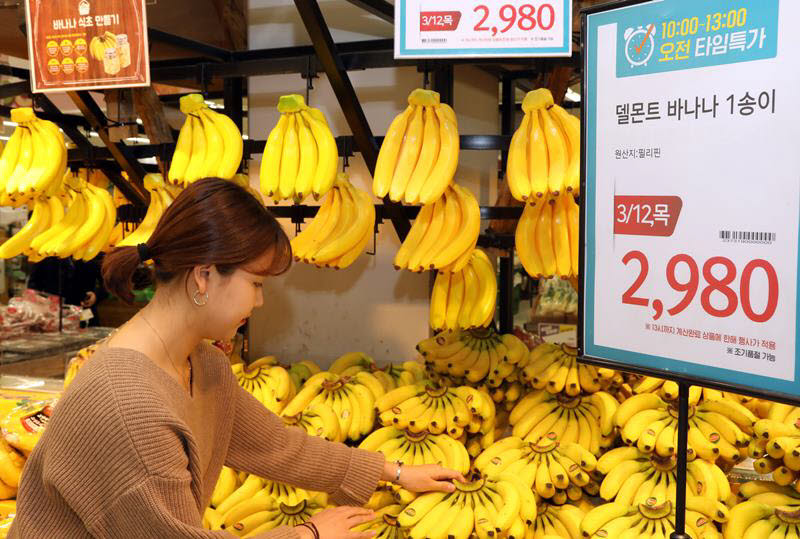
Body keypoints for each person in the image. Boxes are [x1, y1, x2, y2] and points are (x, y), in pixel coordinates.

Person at [10, 178, 465, 538]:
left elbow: (275, 446)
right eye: (257, 284)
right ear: (205, 276)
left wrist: (396, 471)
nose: (260, 303)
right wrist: (309, 534)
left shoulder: (201, 363)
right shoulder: (129, 406)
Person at [27, 255, 109, 326]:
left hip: (85, 313)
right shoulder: (46, 254)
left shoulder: (92, 253)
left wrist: (96, 295)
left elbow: (107, 282)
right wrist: (42, 303)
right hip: (53, 315)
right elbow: (33, 285)